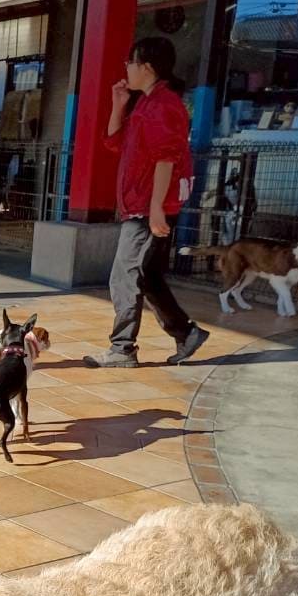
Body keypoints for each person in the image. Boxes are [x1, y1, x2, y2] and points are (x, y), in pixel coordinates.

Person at [84, 37, 209, 368]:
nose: (126, 68)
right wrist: (118, 103)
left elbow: (166, 159)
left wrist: (156, 208)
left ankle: (122, 349)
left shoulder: (164, 105)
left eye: (130, 62)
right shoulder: (147, 103)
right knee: (146, 275)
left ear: (147, 67)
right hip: (141, 205)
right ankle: (186, 333)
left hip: (146, 208)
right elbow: (115, 143)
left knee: (125, 277)